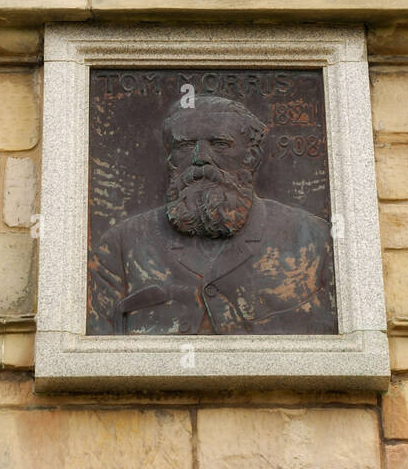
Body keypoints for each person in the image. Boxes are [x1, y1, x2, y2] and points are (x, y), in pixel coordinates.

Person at [88, 94, 337, 334]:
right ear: (169, 158)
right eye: (185, 145)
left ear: (252, 156)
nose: (200, 159)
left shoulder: (313, 240)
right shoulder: (121, 246)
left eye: (219, 144)